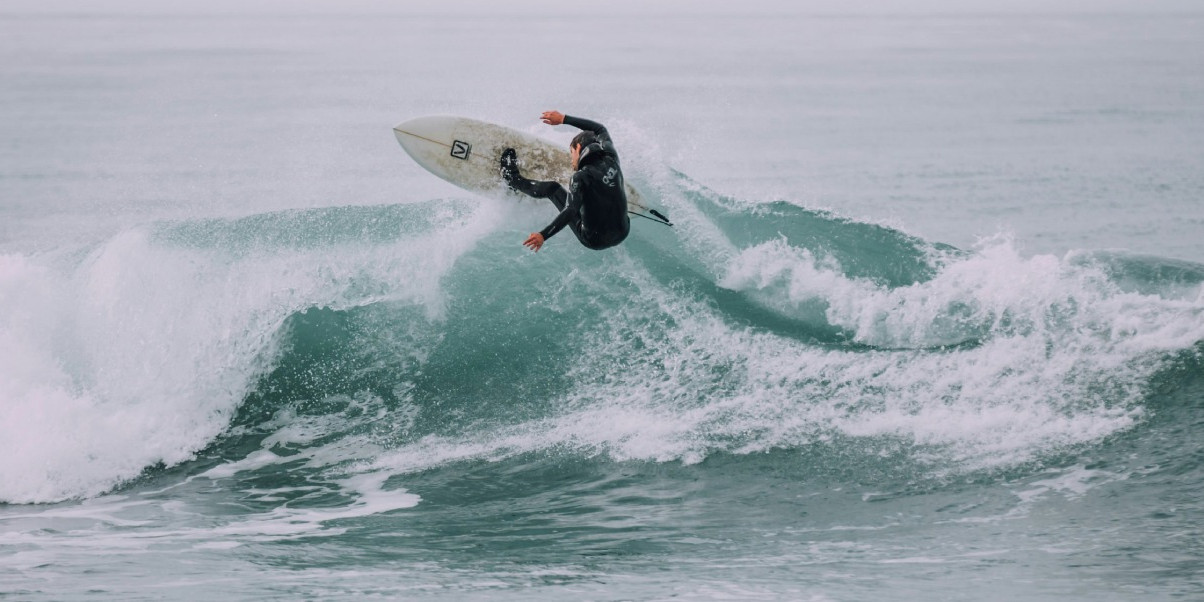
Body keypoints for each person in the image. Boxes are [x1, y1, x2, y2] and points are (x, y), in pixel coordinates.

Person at [500, 111, 630, 252]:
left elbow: (571, 210)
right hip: (623, 232)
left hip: (593, 239)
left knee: (553, 189)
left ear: (578, 148)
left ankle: (513, 179)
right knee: (596, 193)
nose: (571, 160)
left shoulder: (580, 177)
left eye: (571, 153)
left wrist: (543, 235)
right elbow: (600, 129)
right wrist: (563, 119)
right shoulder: (611, 157)